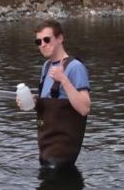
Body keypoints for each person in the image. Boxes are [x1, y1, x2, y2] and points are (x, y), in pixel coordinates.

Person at [20, 20, 91, 181]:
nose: (42, 45)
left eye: (47, 39)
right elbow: (51, 101)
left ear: (60, 39)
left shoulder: (75, 67)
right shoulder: (46, 67)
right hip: (46, 151)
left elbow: (85, 108)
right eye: (38, 41)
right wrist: (31, 101)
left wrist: (64, 80)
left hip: (62, 158)